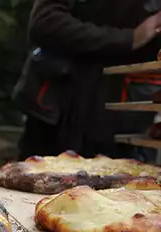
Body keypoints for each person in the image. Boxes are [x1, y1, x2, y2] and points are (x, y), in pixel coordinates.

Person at [12, 0, 161, 160]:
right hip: (61, 107)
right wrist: (129, 38)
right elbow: (45, 22)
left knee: (132, 179)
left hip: (126, 115)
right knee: (36, 176)